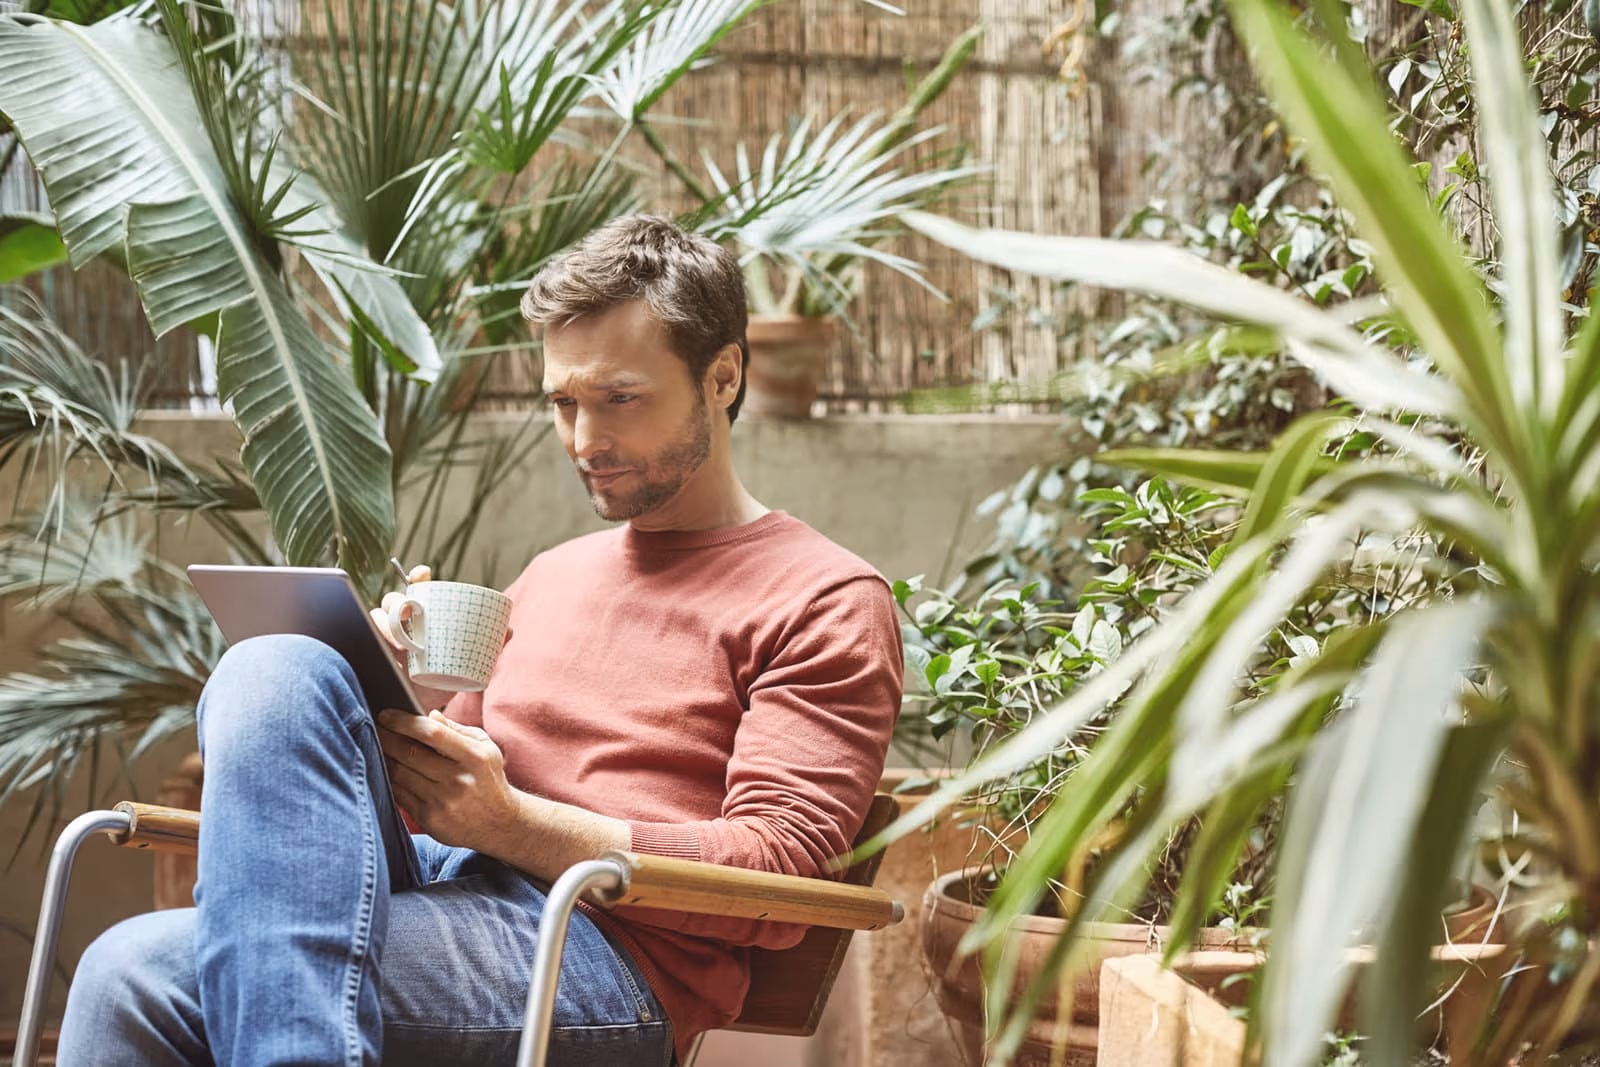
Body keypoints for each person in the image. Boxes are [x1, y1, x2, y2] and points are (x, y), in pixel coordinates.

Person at [55, 214, 904, 1066]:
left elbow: (779, 876)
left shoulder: (824, 597)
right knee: (278, 663)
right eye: (564, 404)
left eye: (619, 399)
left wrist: (515, 825)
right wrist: (392, 697)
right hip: (441, 882)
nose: (584, 442)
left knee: (134, 972)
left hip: (600, 951)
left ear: (723, 377)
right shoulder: (552, 573)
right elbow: (437, 801)